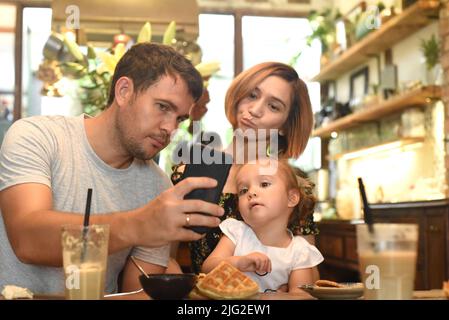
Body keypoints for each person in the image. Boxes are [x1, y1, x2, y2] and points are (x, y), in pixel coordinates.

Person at [0, 43, 224, 295]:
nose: (170, 128)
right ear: (124, 91)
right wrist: (140, 224)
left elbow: (135, 291)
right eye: (163, 107)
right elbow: (28, 240)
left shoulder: (158, 187)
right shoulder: (38, 136)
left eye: (180, 118)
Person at [171, 62, 318, 274]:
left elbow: (307, 276)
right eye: (252, 95)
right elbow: (165, 259)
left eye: (273, 106)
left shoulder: (295, 188)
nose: (255, 110)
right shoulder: (190, 172)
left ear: (286, 126)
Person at [202, 160, 323, 293]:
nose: (251, 192)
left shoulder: (300, 251)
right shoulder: (237, 233)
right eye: (243, 190)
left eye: (264, 184)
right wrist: (237, 263)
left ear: (291, 198)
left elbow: (301, 296)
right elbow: (207, 267)